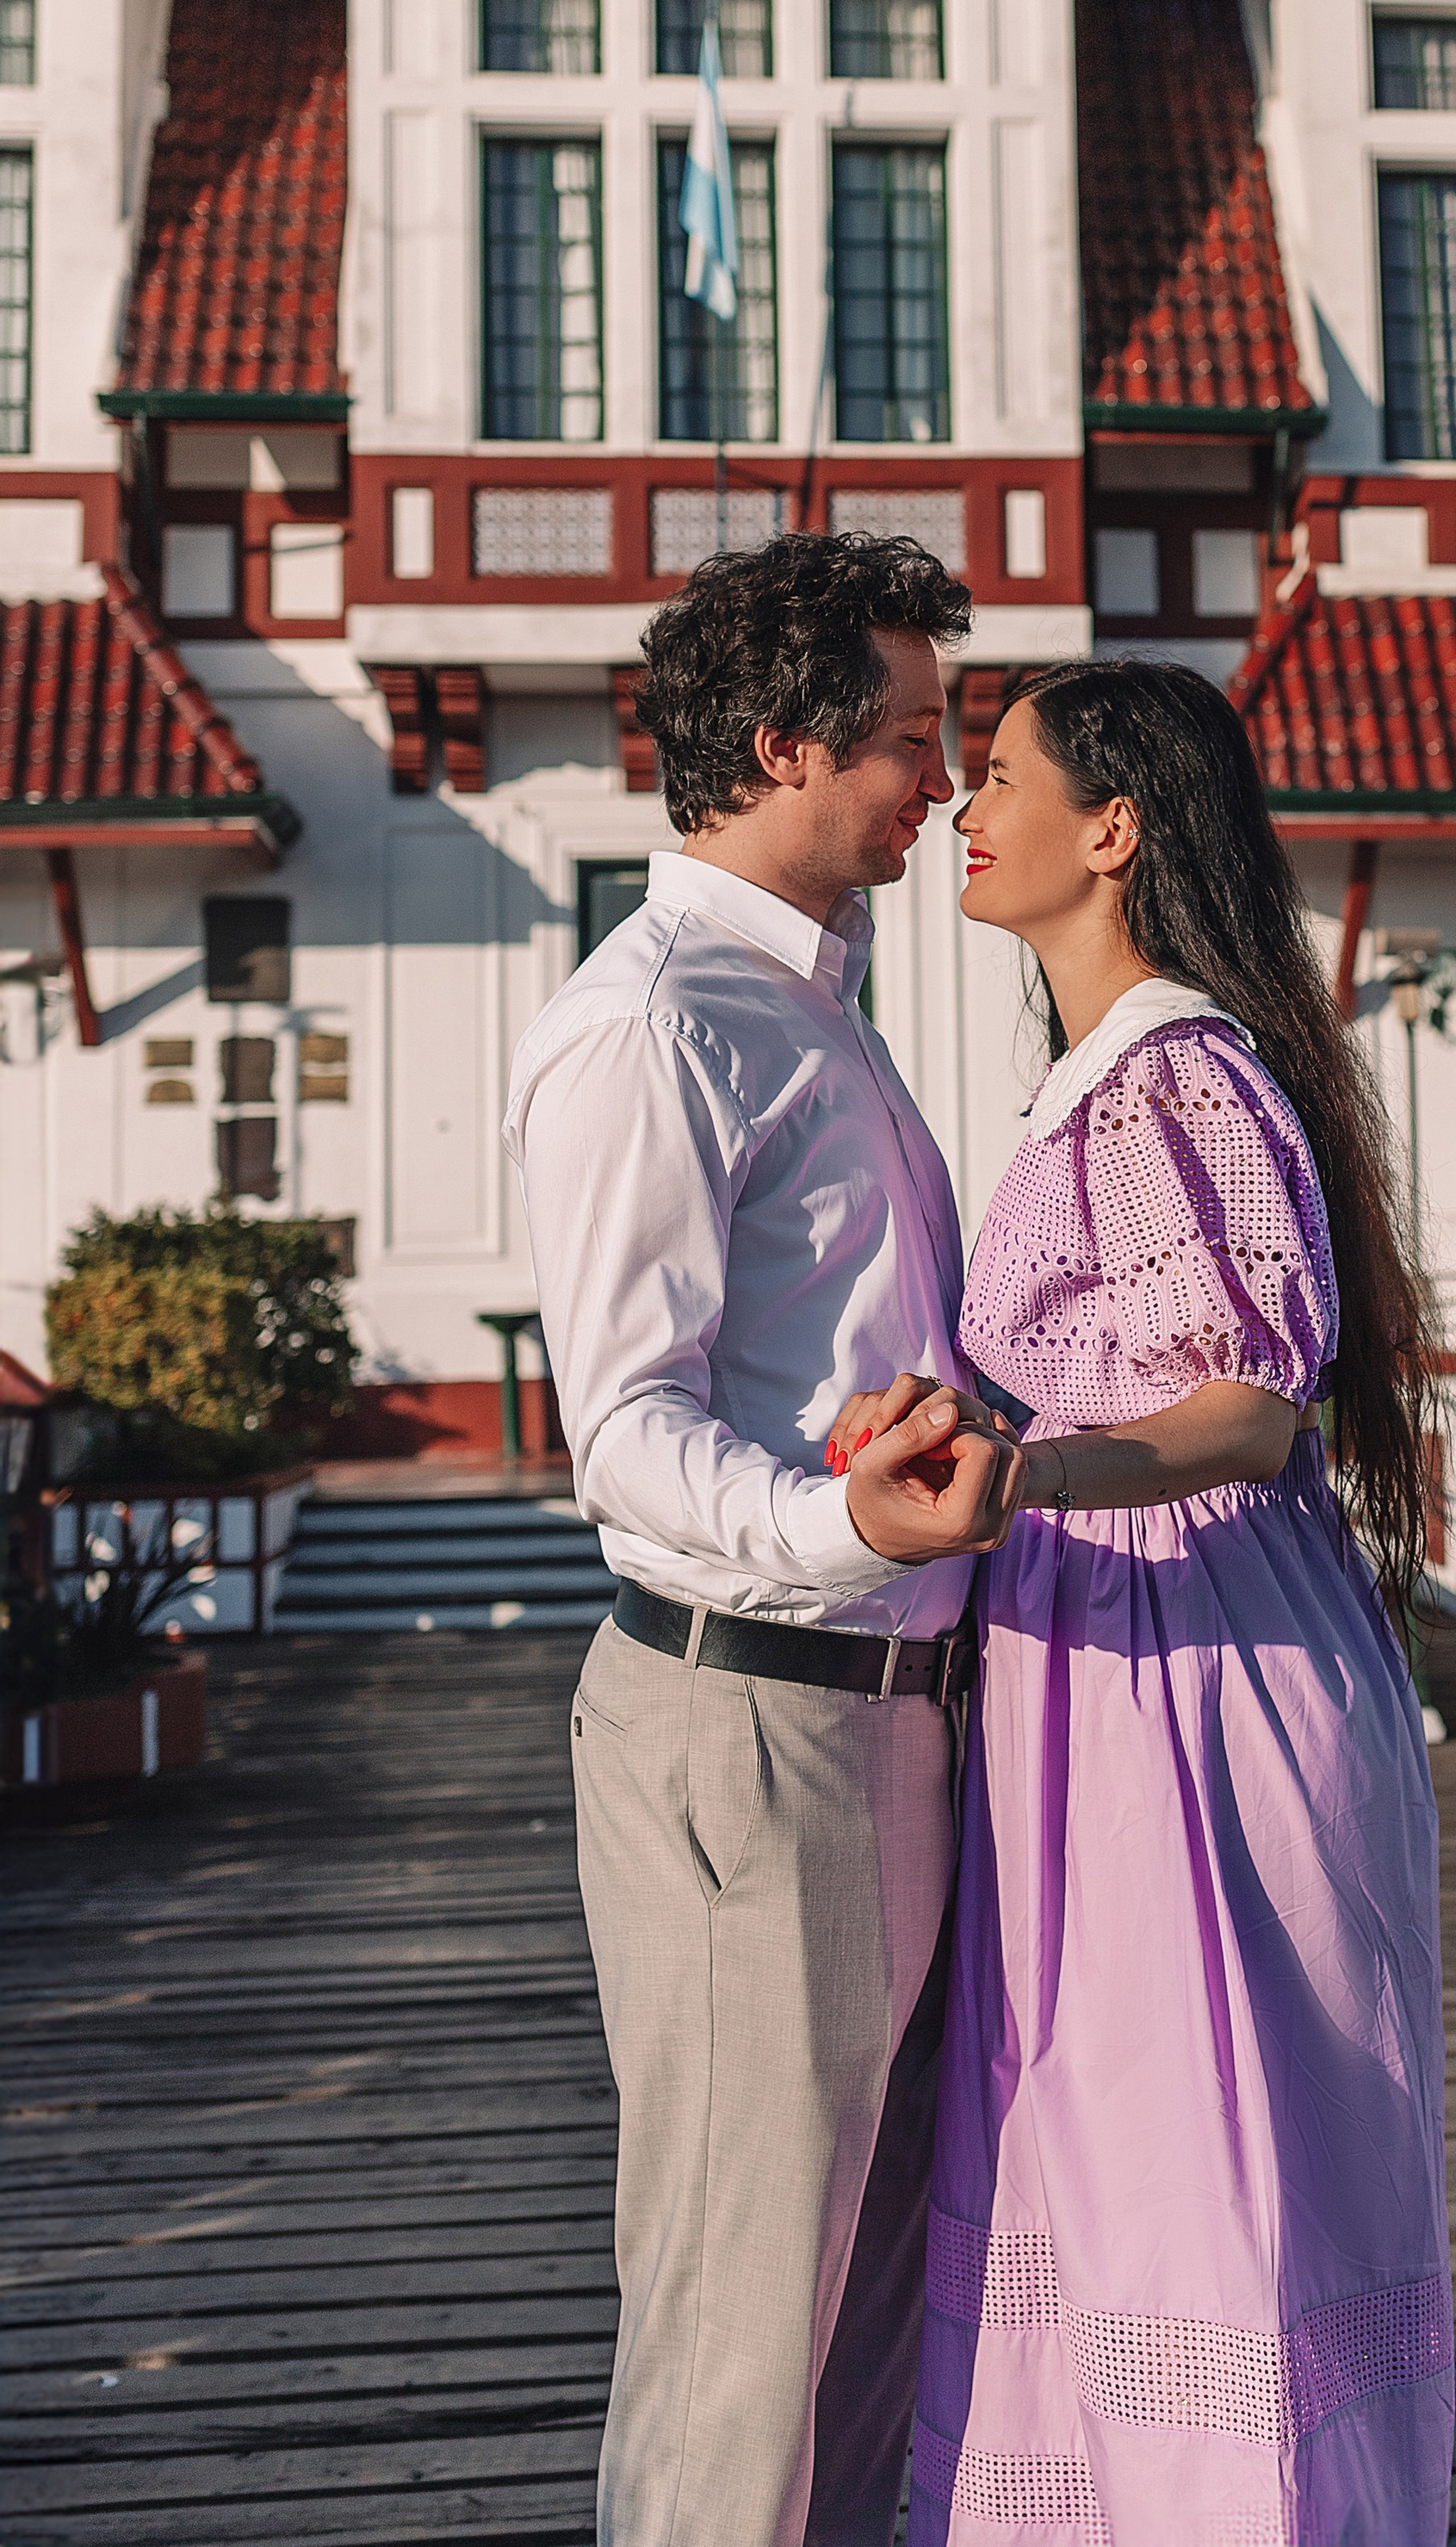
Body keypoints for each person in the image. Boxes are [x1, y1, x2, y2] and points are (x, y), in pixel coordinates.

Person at [833, 658, 1453, 2547]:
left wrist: (1024, 1473)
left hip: (1184, 1653)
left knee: (1193, 2140)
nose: (965, 808)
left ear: (1111, 830)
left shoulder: (1173, 1071)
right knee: (1111, 2127)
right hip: (1109, 1646)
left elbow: (1247, 1405)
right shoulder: (1103, 1078)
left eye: (1000, 775)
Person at [504, 533, 1025, 2547]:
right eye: (909, 737)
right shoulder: (654, 1024)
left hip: (886, 1712)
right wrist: (840, 1520)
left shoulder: (812, 1007)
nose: (943, 779)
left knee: (868, 2303)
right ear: (786, 747)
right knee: (739, 2331)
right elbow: (619, 1433)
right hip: (751, 1723)